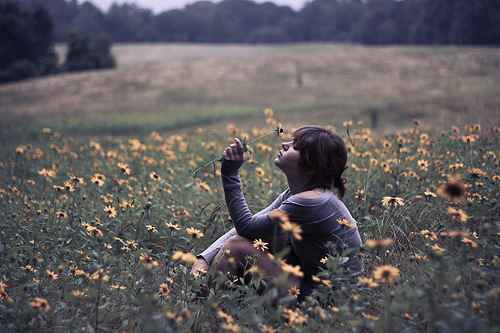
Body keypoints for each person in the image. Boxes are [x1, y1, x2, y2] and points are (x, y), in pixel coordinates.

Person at [191, 125, 363, 300]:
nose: (284, 144)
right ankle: (209, 300)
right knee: (254, 242)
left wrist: (230, 174)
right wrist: (203, 259)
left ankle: (205, 306)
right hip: (311, 282)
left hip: (332, 298)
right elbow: (250, 227)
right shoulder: (296, 194)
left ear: (312, 165)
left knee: (237, 247)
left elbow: (246, 227)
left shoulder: (311, 201)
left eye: (295, 146)